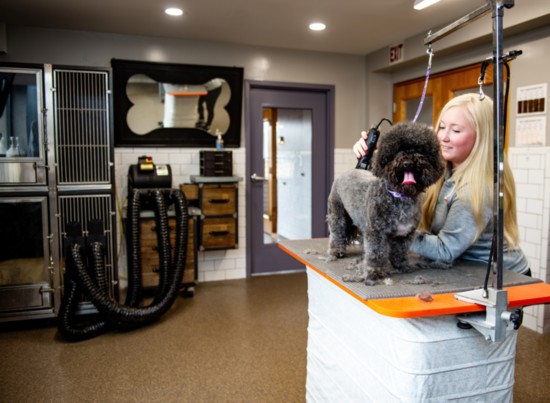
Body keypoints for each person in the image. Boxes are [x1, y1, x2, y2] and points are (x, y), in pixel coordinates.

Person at [353, 93, 530, 275]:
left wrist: (385, 229)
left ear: (481, 138)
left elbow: (444, 250)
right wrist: (379, 158)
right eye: (442, 127)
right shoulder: (440, 172)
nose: (444, 137)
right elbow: (388, 193)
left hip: (503, 277)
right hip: (461, 268)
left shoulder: (475, 190)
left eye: (456, 130)